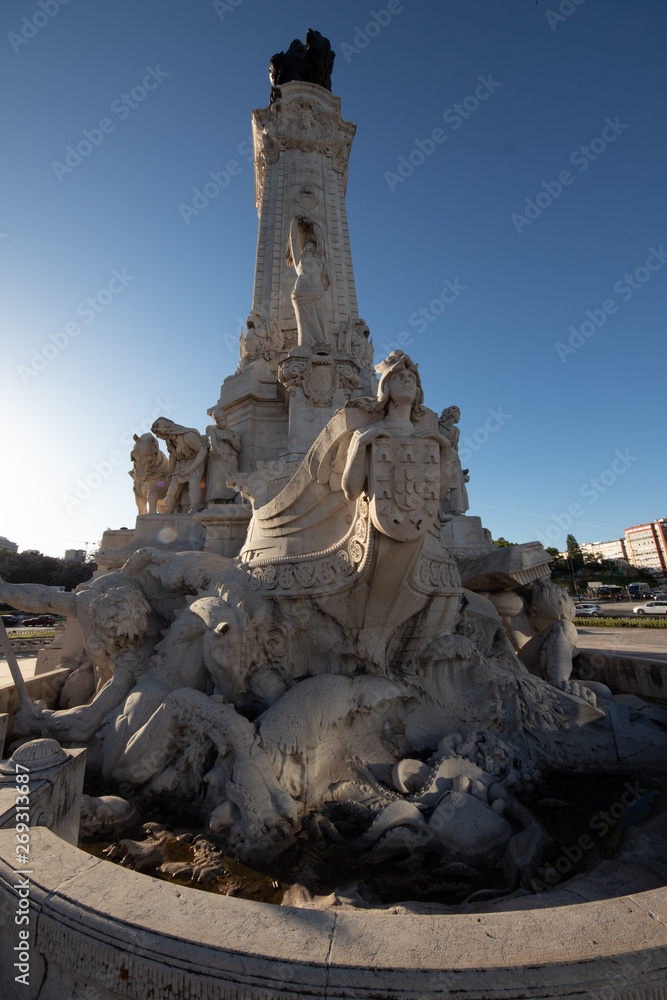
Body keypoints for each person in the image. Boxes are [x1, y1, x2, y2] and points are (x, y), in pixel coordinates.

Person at [151, 417, 207, 514]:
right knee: (172, 488)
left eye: (158, 434)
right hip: (182, 462)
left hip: (196, 460)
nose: (158, 437)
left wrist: (192, 468)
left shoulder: (189, 436)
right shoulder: (169, 441)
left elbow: (203, 450)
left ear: (164, 431)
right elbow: (172, 455)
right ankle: (168, 510)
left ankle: (194, 508)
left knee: (194, 481)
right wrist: (171, 471)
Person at [204, 406, 241, 504]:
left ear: (225, 418)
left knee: (230, 482)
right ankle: (212, 502)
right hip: (217, 458)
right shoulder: (211, 428)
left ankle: (229, 501)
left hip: (231, 459)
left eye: (221, 420)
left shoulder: (233, 433)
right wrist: (216, 449)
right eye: (217, 421)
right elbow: (212, 440)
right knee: (215, 481)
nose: (219, 423)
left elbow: (238, 448)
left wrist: (231, 439)